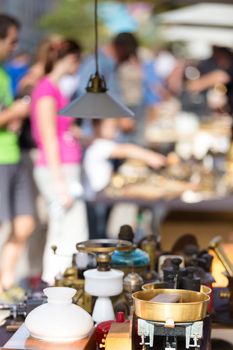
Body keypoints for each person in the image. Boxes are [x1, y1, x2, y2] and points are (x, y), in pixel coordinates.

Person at [31, 39, 88, 284]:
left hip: (65, 167)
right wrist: (59, 182)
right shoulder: (46, 90)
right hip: (58, 170)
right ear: (71, 58)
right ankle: (56, 281)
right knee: (64, 230)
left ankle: (62, 280)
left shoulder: (56, 89)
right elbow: (48, 138)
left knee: (69, 229)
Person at [83, 119, 166, 237]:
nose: (114, 130)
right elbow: (126, 149)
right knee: (98, 233)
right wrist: (150, 157)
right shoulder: (99, 145)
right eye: (110, 126)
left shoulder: (97, 143)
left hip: (101, 197)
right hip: (97, 198)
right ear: (97, 126)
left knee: (102, 231)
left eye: (115, 126)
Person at [0, 14, 35, 291]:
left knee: (24, 225)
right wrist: (15, 112)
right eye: (12, 41)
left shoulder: (3, 73)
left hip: (14, 156)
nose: (15, 46)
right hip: (1, 160)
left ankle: (6, 282)